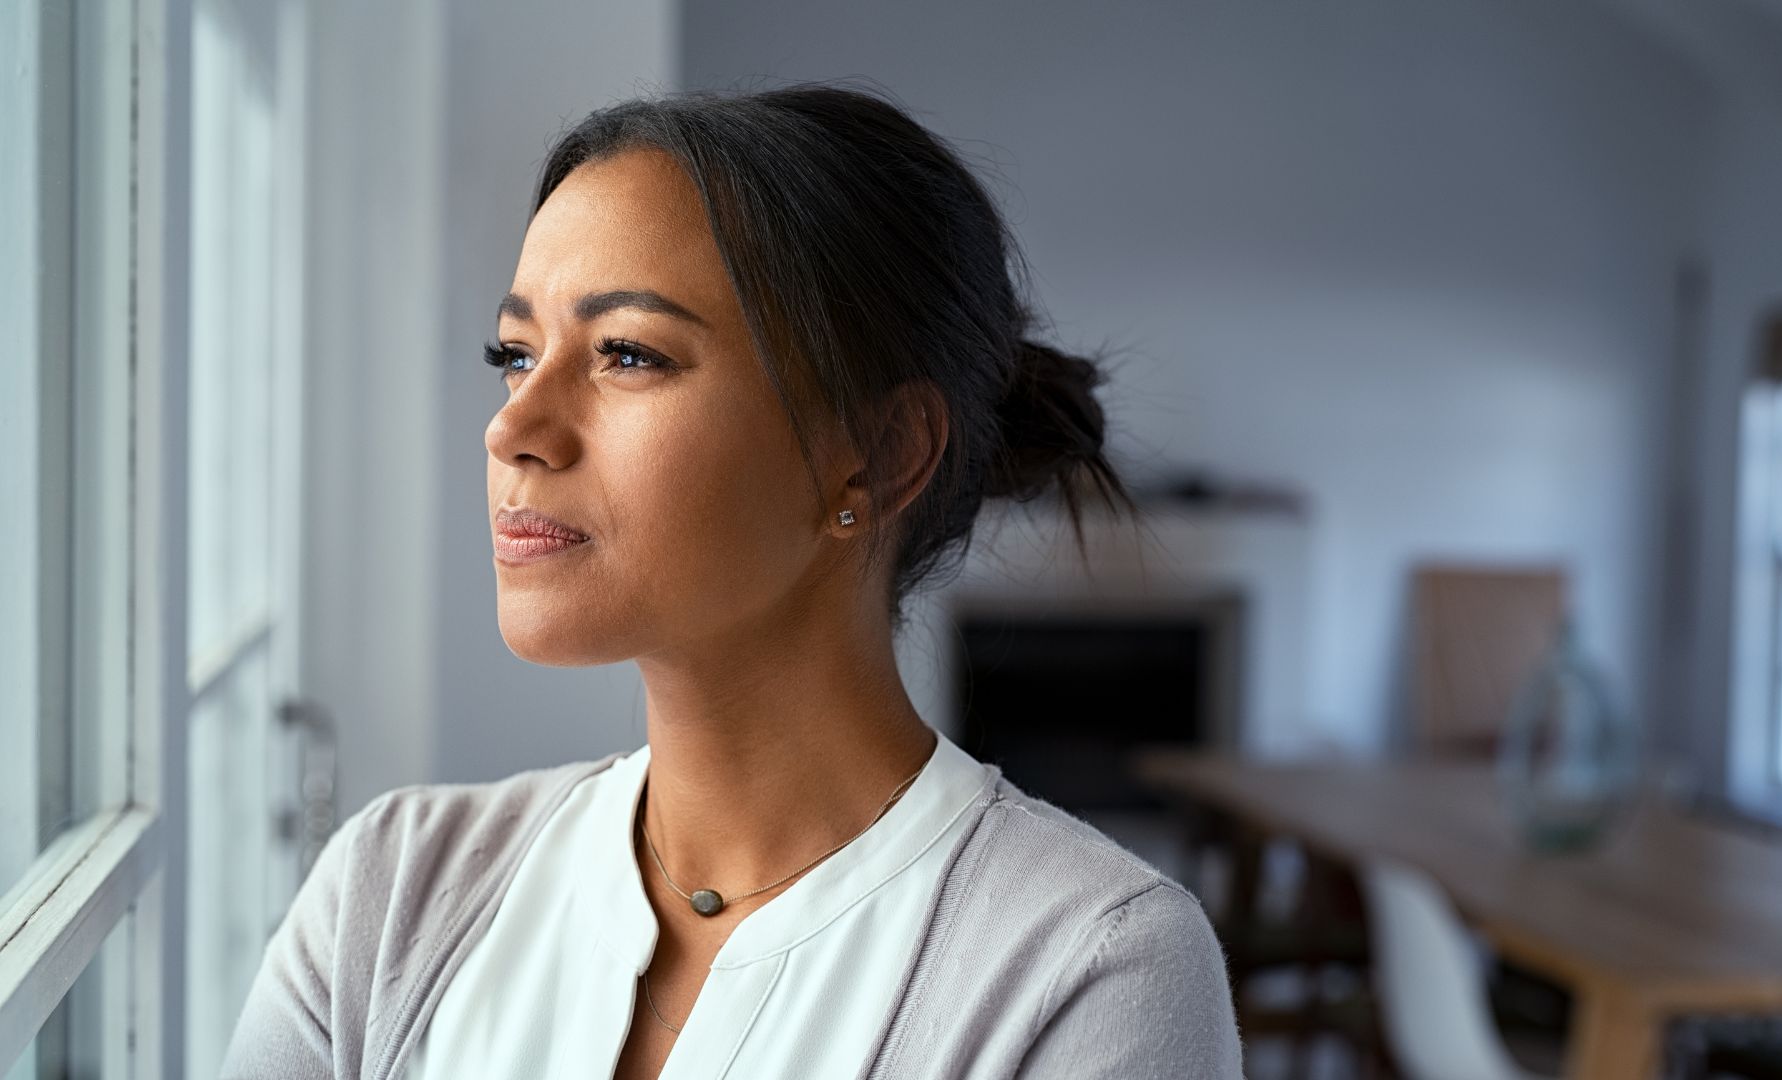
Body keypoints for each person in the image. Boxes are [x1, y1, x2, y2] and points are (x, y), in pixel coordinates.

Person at [221, 80, 1243, 1079]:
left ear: (881, 453)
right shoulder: (393, 892)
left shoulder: (1091, 973)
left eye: (627, 353)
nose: (513, 428)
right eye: (516, 352)